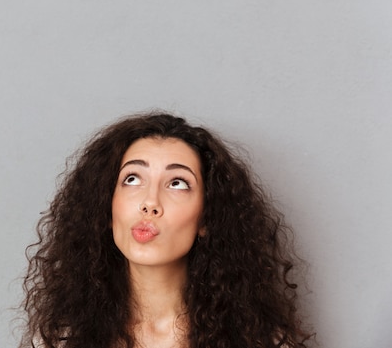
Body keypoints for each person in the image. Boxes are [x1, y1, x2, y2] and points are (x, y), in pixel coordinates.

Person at [19, 112, 314, 348]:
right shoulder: (59, 341)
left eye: (177, 183)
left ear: (206, 219)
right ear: (106, 209)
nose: (150, 202)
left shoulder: (261, 342)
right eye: (133, 179)